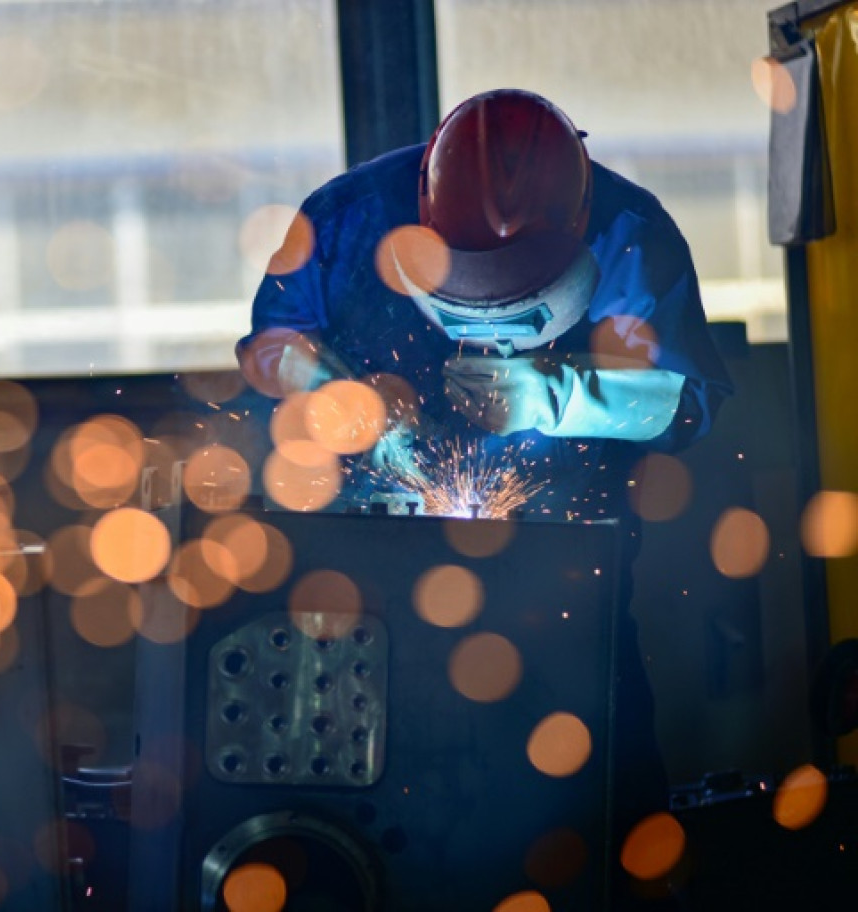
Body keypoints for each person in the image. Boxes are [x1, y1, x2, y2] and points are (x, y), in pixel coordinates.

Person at [237, 88, 733, 901]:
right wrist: (346, 401)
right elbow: (272, 350)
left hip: (565, 598)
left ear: (575, 225)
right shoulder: (344, 217)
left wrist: (560, 395)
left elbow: (690, 401)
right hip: (361, 605)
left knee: (600, 832)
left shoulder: (628, 232)